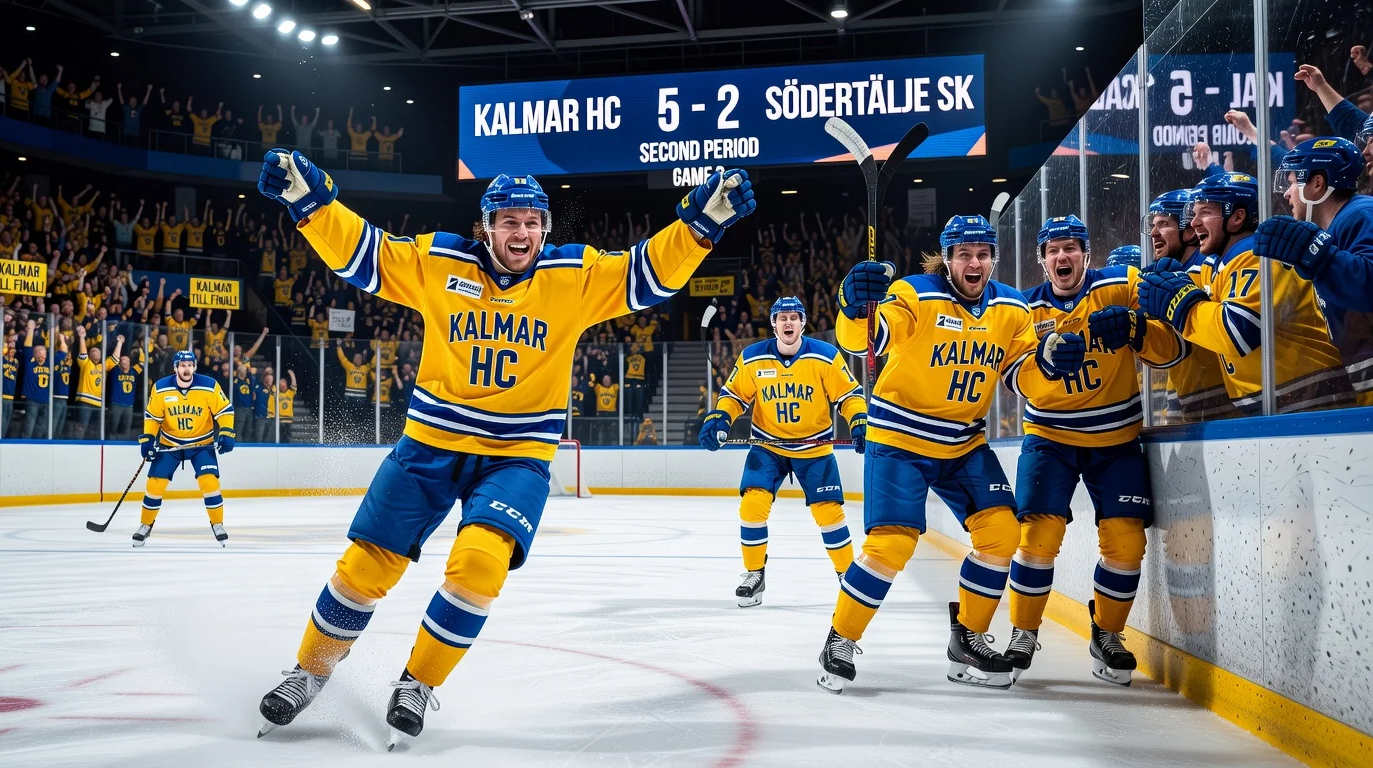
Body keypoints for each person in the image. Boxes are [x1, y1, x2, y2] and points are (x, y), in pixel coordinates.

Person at [252, 148, 753, 744]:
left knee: (480, 567)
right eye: (510, 221)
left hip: (517, 457)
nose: (523, 232)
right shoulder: (439, 261)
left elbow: (645, 274)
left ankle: (417, 682)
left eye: (533, 221)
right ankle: (309, 674)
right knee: (363, 569)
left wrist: (698, 228)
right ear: (485, 227)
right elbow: (366, 255)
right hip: (429, 445)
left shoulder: (573, 276)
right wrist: (310, 205)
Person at [816, 214, 1085, 694]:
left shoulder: (1011, 307)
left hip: (963, 441)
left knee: (1002, 534)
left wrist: (1046, 362)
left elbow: (1021, 376)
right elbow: (863, 341)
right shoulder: (913, 294)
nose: (974, 262)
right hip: (900, 438)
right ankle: (840, 639)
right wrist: (852, 306)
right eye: (964, 254)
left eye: (983, 254)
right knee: (891, 546)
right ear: (947, 259)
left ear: (994, 258)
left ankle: (968, 637)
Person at [1004, 215, 1186, 686]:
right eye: (1053, 250)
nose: (1062, 257)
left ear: (1087, 254)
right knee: (1037, 539)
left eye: (1071, 247)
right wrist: (1042, 363)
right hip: (1050, 438)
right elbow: (1013, 378)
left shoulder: (1122, 287)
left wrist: (1135, 329)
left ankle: (1107, 634)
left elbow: (1170, 353)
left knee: (1127, 544)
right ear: (1041, 260)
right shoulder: (1024, 309)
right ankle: (1023, 631)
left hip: (1116, 440)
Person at [698, 296, 867, 606]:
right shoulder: (752, 357)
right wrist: (721, 417)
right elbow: (733, 395)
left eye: (794, 317)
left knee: (830, 514)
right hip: (768, 447)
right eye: (782, 317)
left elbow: (849, 395)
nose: (788, 322)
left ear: (803, 323)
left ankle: (847, 576)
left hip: (813, 448)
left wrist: (858, 421)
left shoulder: (826, 356)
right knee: (752, 506)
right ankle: (754, 573)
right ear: (773, 324)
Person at [1138, 172, 1354, 415]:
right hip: (1287, 403)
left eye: (1205, 212)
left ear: (1237, 217)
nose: (1194, 222)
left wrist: (1183, 306)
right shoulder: (1223, 264)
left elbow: (1238, 332)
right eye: (1193, 213)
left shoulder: (1258, 257)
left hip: (1311, 404)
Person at [1253, 137, 1373, 401]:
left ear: (1317, 183)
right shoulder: (1340, 223)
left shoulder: (1361, 213)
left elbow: (1369, 283)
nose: (1286, 192)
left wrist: (1316, 255)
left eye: (1293, 181)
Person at [1145, 189, 1239, 422]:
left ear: (1188, 231)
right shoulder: (1179, 273)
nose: (1154, 232)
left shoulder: (1205, 271)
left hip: (1221, 402)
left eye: (1163, 224)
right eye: (1153, 225)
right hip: (1191, 398)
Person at [133, 350, 236, 547]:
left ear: (195, 367)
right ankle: (145, 526)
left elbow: (225, 411)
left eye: (190, 365)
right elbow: (153, 417)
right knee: (155, 485)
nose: (186, 369)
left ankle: (218, 524)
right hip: (170, 444)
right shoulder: (161, 388)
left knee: (210, 483)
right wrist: (147, 439)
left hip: (201, 444)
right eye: (182, 365)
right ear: (175, 368)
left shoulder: (209, 386)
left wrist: (227, 432)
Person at [73, 327, 122, 439]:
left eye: (98, 352)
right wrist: (81, 337)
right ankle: (78, 446)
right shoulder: (85, 363)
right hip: (85, 400)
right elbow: (83, 352)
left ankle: (91, 447)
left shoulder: (103, 366)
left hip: (99, 402)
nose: (96, 354)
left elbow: (115, 358)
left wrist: (120, 343)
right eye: (93, 352)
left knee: (95, 428)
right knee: (82, 426)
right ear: (90, 355)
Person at [107, 350, 138, 438]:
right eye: (122, 360)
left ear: (129, 363)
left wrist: (139, 349)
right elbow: (112, 360)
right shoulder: (115, 371)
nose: (124, 362)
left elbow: (142, 363)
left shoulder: (133, 371)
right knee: (113, 428)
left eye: (126, 360)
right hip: (116, 404)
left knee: (126, 430)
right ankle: (110, 445)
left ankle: (124, 448)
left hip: (129, 406)